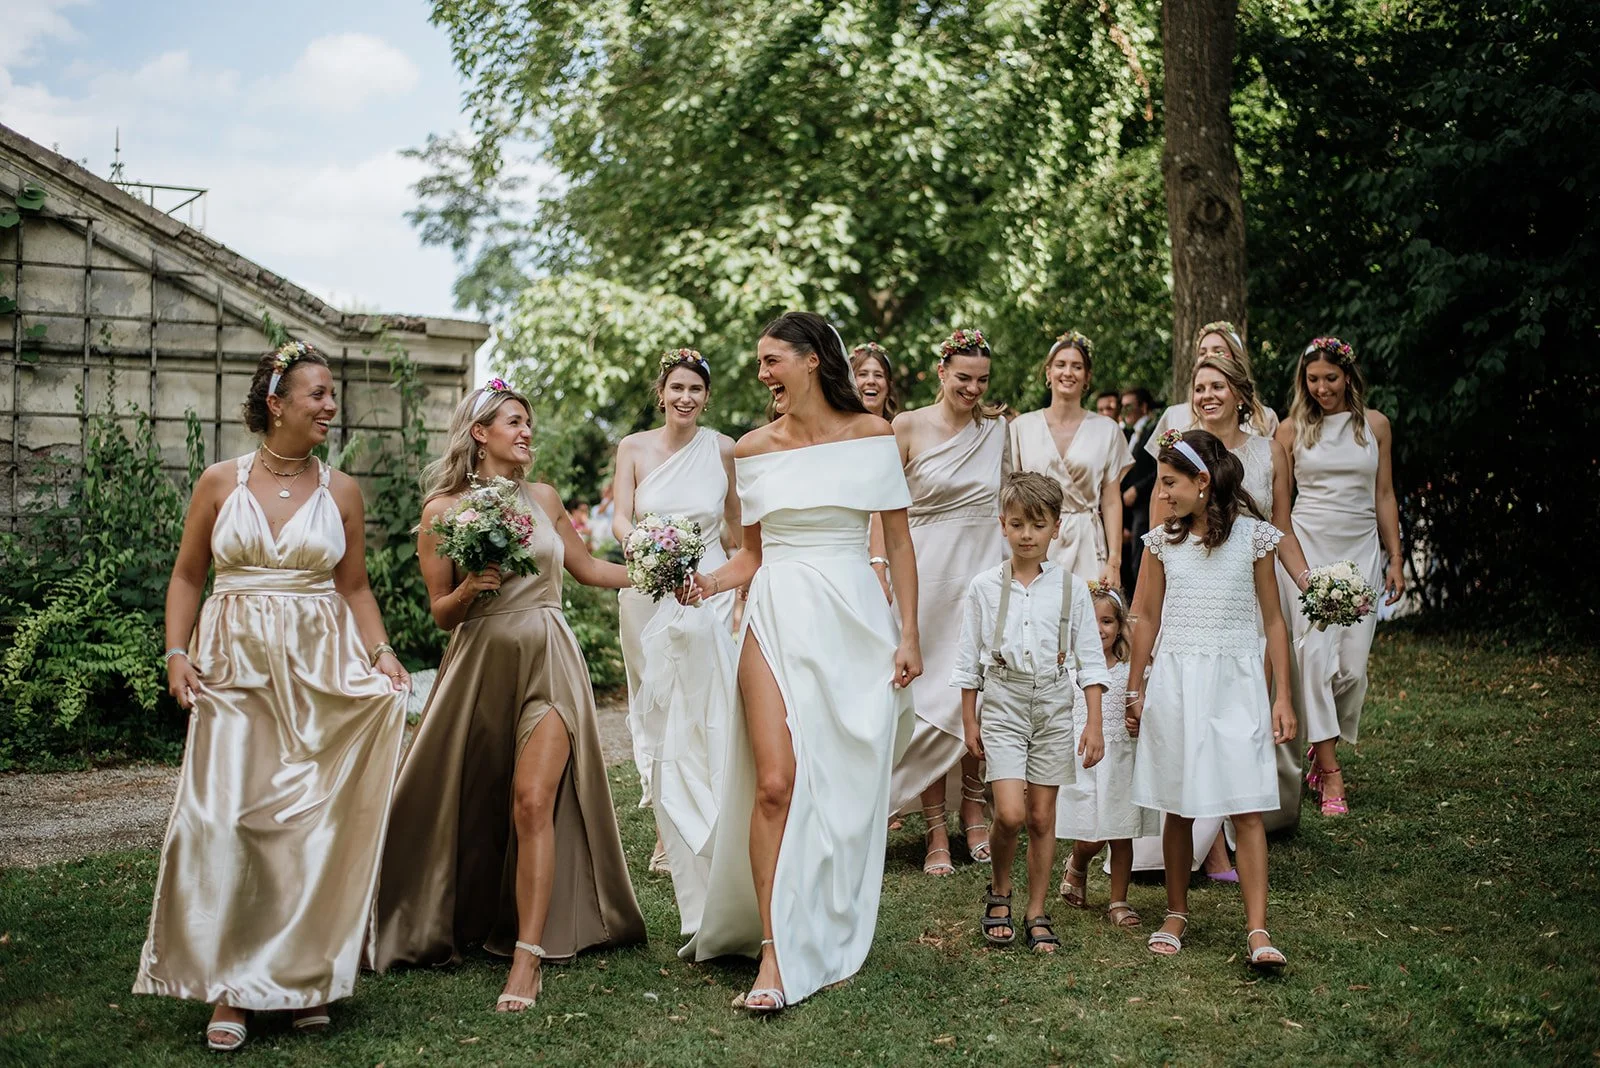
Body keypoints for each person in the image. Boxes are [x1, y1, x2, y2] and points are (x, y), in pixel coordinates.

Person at [136, 341, 410, 1051]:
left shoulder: (340, 490)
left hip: (320, 667)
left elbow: (353, 587)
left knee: (306, 823)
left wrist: (380, 654)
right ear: (275, 403)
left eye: (331, 395)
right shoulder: (219, 483)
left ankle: (300, 980)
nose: (330, 405)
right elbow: (187, 576)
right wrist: (176, 651)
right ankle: (229, 987)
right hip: (234, 667)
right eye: (317, 394)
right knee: (226, 818)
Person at [371, 380, 647, 1013]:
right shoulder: (442, 511)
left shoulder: (544, 498)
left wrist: (669, 567)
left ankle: (526, 957)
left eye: (529, 422)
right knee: (470, 802)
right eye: (515, 422)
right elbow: (441, 613)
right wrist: (472, 587)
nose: (527, 432)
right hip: (481, 665)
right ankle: (457, 914)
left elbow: (592, 570)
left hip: (548, 658)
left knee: (532, 801)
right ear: (480, 433)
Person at [678, 311, 921, 1012]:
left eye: (771, 359)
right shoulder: (752, 449)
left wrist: (909, 636)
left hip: (851, 615)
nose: (761, 374)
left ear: (813, 360)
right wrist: (704, 582)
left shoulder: (874, 435)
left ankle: (830, 912)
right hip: (776, 610)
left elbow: (899, 545)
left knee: (840, 783)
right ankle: (775, 952)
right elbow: (751, 555)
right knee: (775, 782)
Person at [1126, 429, 1297, 970]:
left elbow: (1273, 621)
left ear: (1203, 482)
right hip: (1176, 680)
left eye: (1170, 483)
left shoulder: (1253, 538)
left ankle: (1258, 927)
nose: (1161, 494)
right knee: (1177, 803)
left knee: (1244, 807)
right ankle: (1176, 911)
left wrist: (1282, 697)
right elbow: (1146, 616)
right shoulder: (1162, 543)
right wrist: (1135, 684)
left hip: (1237, 683)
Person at [954, 472, 1108, 953]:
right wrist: (969, 719)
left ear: (1056, 528)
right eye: (1017, 524)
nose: (1026, 534)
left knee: (1042, 817)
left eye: (1037, 525)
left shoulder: (1071, 589)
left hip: (1053, 705)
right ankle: (999, 889)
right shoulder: (983, 587)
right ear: (1003, 524)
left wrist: (1096, 722)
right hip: (1003, 699)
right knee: (1011, 813)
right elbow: (966, 660)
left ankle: (1036, 910)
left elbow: (1090, 659)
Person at [612, 348, 740, 892]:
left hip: (707, 587)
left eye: (695, 389)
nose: (685, 398)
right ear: (661, 394)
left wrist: (742, 582)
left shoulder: (725, 449)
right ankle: (667, 828)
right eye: (676, 388)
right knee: (657, 705)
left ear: (706, 398)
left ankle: (708, 817)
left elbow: (736, 526)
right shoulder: (633, 447)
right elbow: (620, 516)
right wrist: (644, 545)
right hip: (648, 586)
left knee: (705, 701)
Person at [886, 328, 1008, 877]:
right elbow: (880, 509)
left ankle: (975, 810)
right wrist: (879, 569)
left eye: (982, 381)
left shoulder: (998, 432)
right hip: (924, 572)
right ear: (942, 372)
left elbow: (1011, 503)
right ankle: (935, 826)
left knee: (980, 690)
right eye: (963, 378)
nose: (973, 389)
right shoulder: (905, 426)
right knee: (931, 698)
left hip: (983, 571)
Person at [1276, 337, 1404, 817]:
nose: (1322, 388)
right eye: (1313, 380)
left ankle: (1319, 745)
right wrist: (1300, 570)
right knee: (1314, 657)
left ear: (1348, 376)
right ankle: (1330, 772)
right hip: (1310, 550)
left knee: (1351, 668)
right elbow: (1281, 512)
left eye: (1330, 378)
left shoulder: (1375, 426)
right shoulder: (1290, 432)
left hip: (1361, 552)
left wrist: (1394, 557)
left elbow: (1385, 493)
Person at [1055, 581, 1159, 928]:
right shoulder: (1071, 665)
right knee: (1091, 835)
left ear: (1120, 626)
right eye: (1092, 621)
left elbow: (1143, 707)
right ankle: (1078, 864)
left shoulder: (1133, 668)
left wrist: (1139, 725)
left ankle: (1118, 901)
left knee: (1121, 832)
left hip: (1121, 759)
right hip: (1085, 756)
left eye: (1107, 622)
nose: (1099, 630)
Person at [1008, 331, 1133, 588]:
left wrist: (1114, 561)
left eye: (1077, 367)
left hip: (1087, 540)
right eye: (1061, 365)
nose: (1068, 372)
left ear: (1087, 377)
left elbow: (1111, 499)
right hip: (1034, 540)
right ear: (1048, 372)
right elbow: (1009, 496)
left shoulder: (1106, 429)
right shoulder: (1022, 427)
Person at [1145, 322, 1280, 445]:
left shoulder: (1265, 418)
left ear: (1236, 358)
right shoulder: (1174, 415)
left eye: (1219, 351)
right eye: (1202, 352)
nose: (1209, 356)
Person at [851, 341, 901, 605]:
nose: (871, 381)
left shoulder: (900, 434)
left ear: (888, 384)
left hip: (895, 546)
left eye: (878, 375)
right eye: (863, 374)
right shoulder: (837, 439)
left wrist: (879, 564)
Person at [1119, 387, 1158, 591]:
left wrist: (1137, 489)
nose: (1125, 411)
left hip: (1146, 504)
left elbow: (1158, 470)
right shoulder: (1129, 434)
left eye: (1129, 406)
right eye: (1122, 406)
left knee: (1140, 561)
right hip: (1129, 510)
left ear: (1143, 407)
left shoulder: (1153, 430)